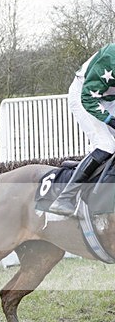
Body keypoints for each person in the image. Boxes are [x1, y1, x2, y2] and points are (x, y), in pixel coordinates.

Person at [49, 43, 115, 216]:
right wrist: (110, 120)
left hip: (109, 98)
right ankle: (65, 198)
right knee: (106, 144)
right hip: (84, 95)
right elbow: (88, 98)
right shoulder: (111, 57)